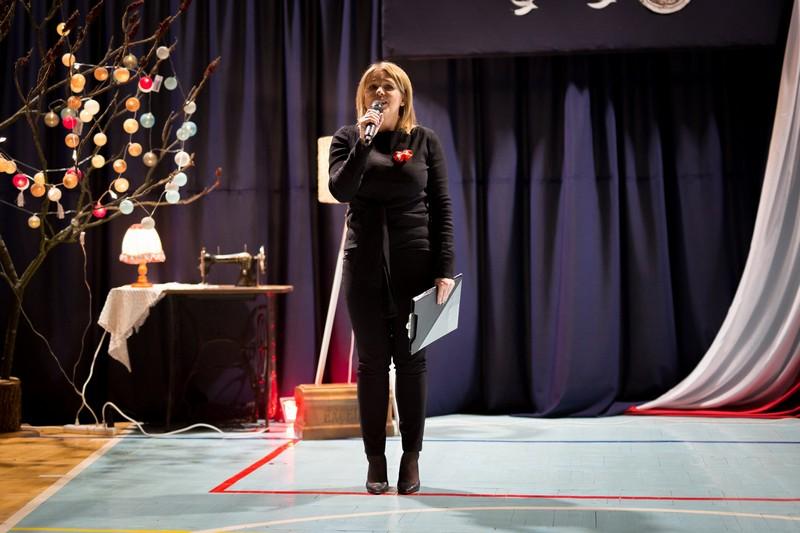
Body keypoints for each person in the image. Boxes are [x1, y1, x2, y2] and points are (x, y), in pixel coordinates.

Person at [328, 61, 455, 495]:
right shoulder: (347, 139)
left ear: (403, 97)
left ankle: (411, 457)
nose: (379, 92)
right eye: (372, 87)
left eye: (388, 86)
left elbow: (442, 206)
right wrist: (364, 142)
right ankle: (375, 460)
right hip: (362, 263)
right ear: (363, 97)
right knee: (371, 364)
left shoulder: (424, 140)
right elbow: (341, 190)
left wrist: (444, 268)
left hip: (414, 264)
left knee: (412, 362)